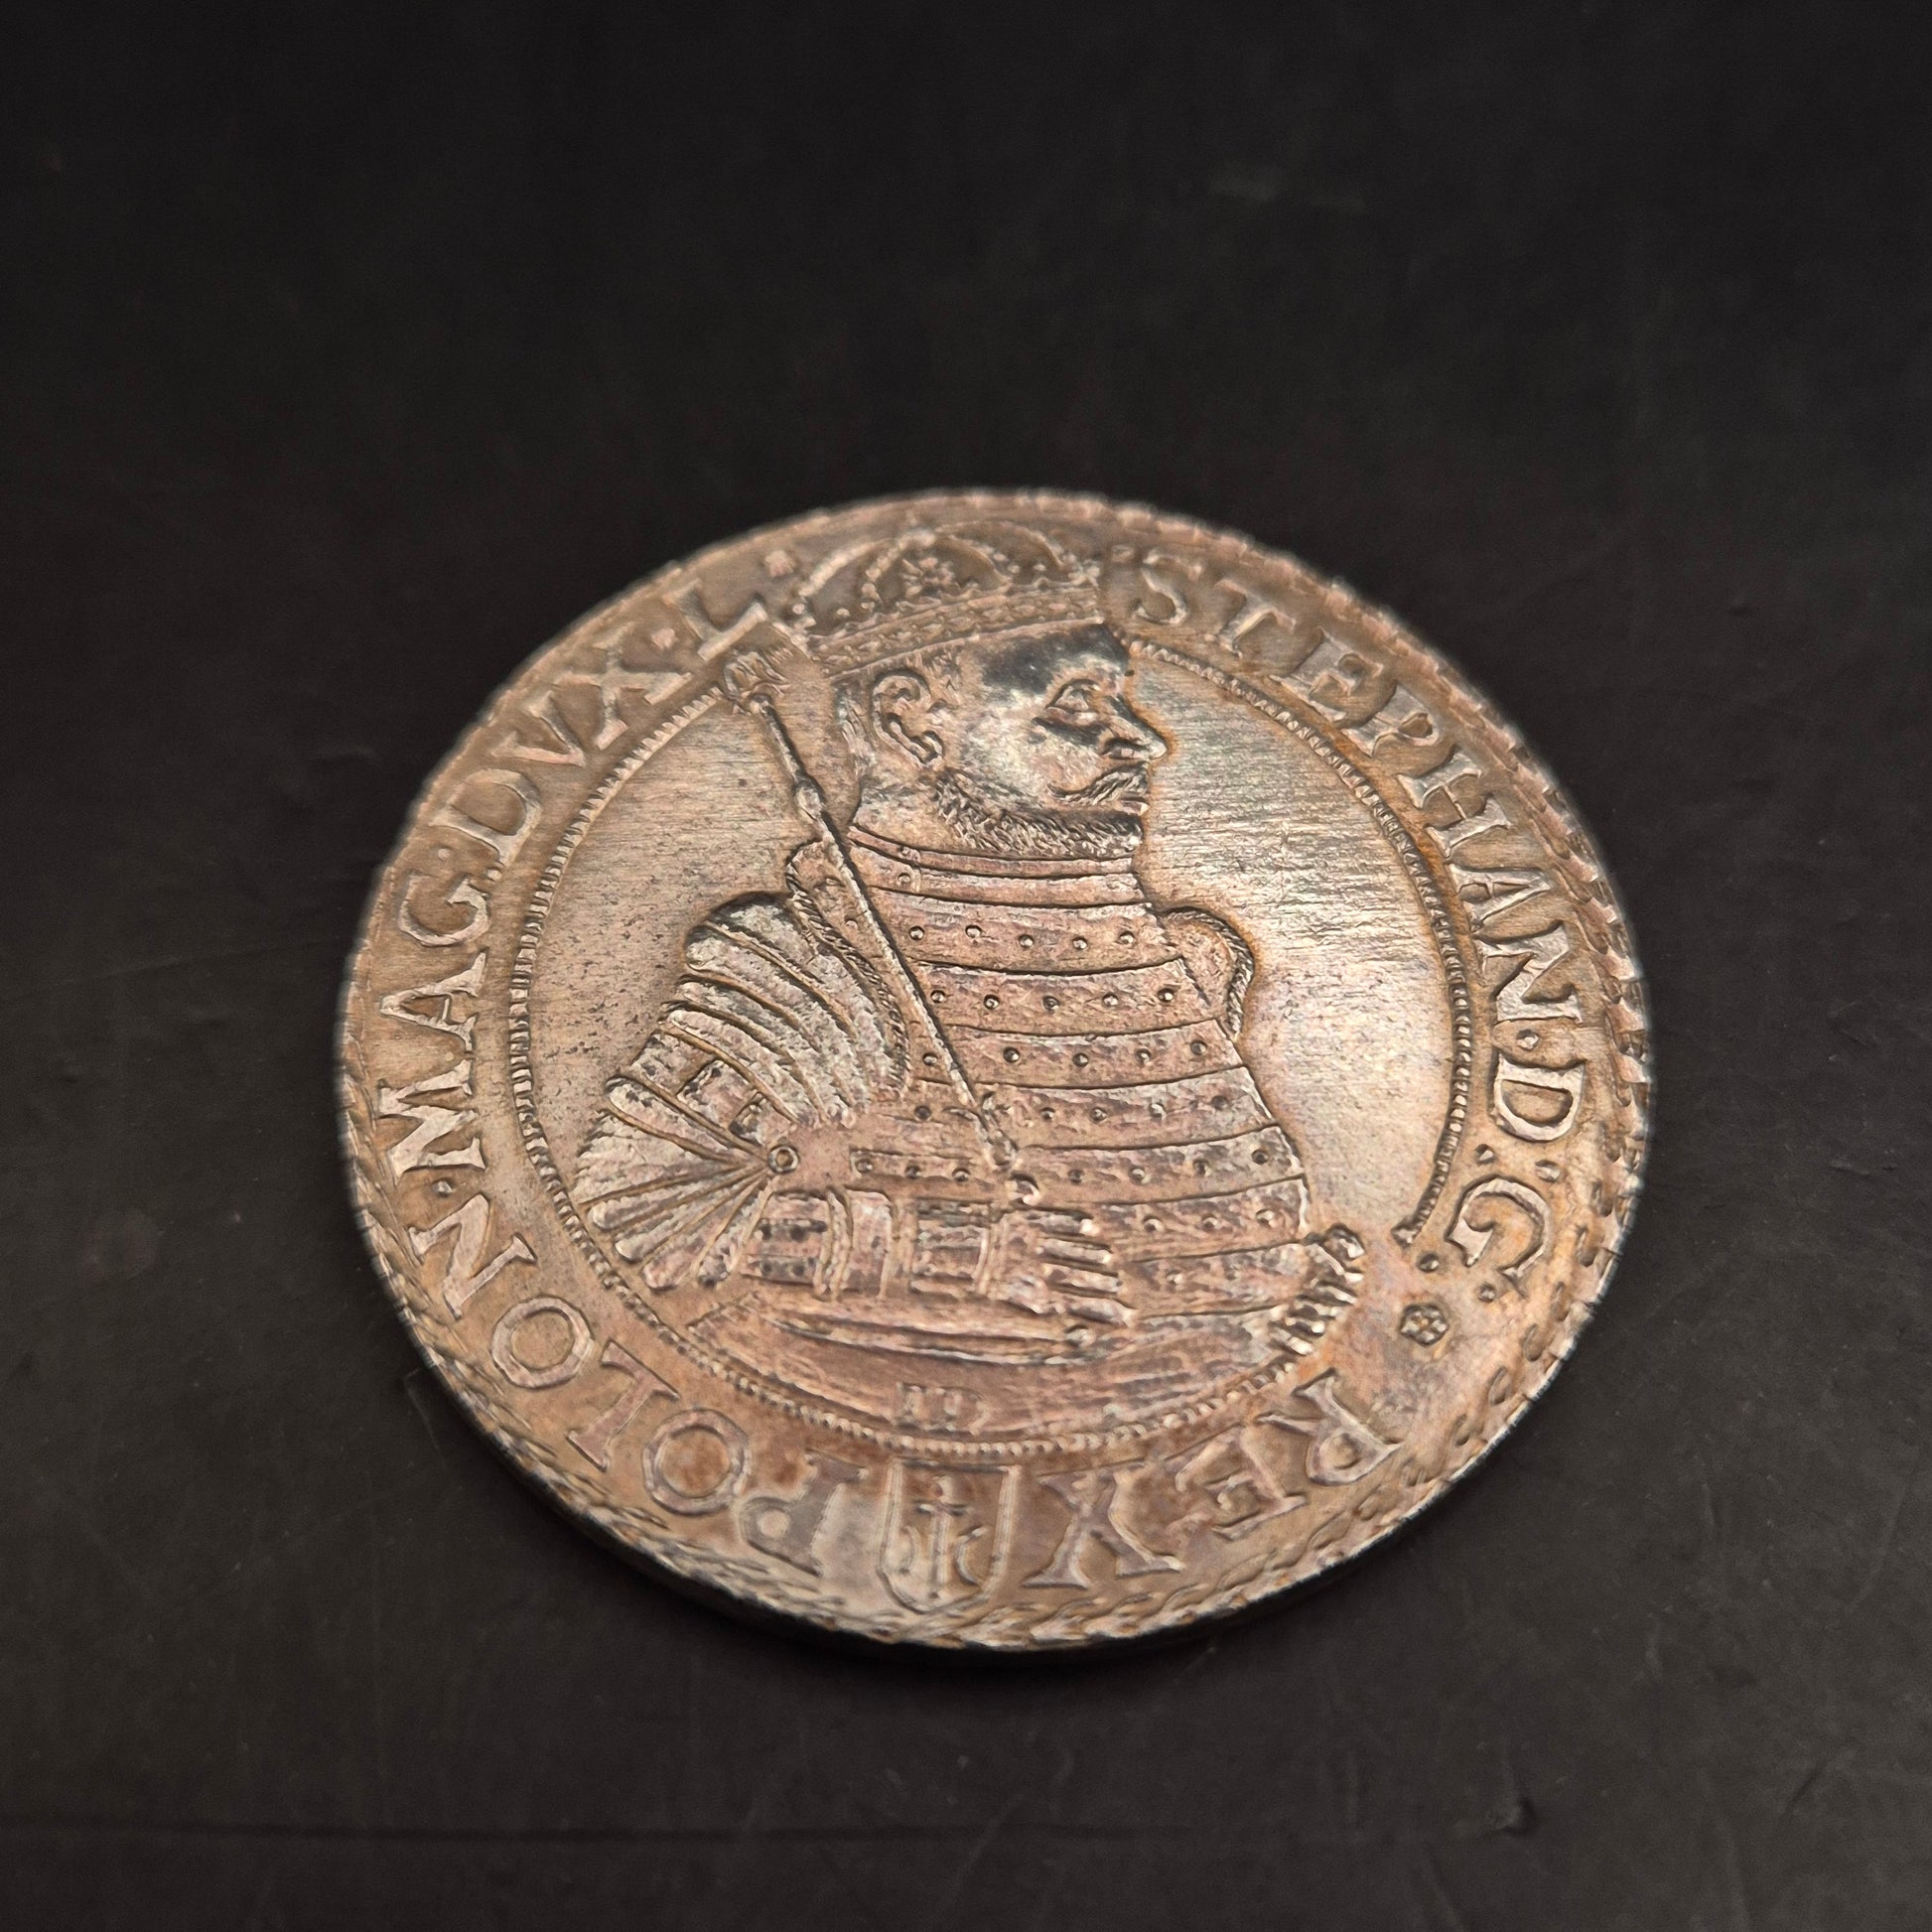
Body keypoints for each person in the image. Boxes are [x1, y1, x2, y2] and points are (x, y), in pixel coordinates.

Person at [571, 524, 1359, 1432]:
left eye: (1119, 701)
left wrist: (1276, 1290)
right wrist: (959, 1256)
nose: (1142, 742)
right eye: (1076, 706)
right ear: (911, 724)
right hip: (881, 1434)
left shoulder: (1191, 957)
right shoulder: (818, 965)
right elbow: (631, 1211)